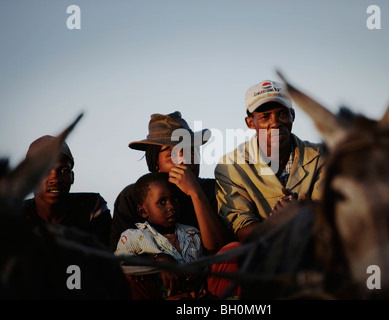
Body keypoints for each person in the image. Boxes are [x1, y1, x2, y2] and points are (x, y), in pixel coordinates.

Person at [215, 80, 325, 242]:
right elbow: (241, 229)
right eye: (265, 117)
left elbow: (331, 213)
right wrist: (277, 223)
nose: (275, 122)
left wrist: (301, 212)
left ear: (292, 115)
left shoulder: (320, 156)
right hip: (262, 256)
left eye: (282, 114)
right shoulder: (231, 165)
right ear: (250, 122)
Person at [110, 111, 231, 253]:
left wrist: (196, 193)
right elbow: (121, 256)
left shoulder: (215, 190)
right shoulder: (133, 197)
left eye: (190, 150)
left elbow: (220, 249)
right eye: (171, 154)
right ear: (156, 165)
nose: (183, 160)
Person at [115, 172, 207, 299]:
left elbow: (205, 264)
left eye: (174, 200)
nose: (171, 207)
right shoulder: (134, 237)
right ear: (143, 211)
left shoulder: (192, 234)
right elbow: (120, 263)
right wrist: (156, 259)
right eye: (162, 202)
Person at [22, 135, 112, 247]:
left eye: (64, 171)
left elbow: (102, 258)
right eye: (45, 171)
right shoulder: (15, 215)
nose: (55, 179)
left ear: (72, 177)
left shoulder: (92, 208)